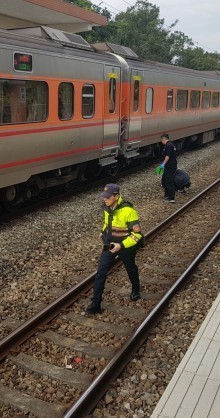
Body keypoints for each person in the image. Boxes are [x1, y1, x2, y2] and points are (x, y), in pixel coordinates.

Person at [86, 184, 144, 314]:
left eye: (108, 197)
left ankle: (136, 290)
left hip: (125, 246)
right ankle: (96, 304)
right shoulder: (107, 208)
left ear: (116, 196)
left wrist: (121, 245)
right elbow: (107, 223)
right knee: (100, 272)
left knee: (131, 268)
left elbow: (137, 235)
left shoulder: (129, 211)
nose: (104, 199)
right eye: (104, 197)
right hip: (110, 244)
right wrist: (103, 231)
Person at [158, 134, 178, 203]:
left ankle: (171, 198)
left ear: (163, 139)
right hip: (169, 166)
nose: (161, 142)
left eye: (161, 140)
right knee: (164, 180)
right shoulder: (172, 144)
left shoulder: (168, 146)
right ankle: (167, 195)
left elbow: (168, 156)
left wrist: (163, 164)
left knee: (168, 181)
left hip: (170, 166)